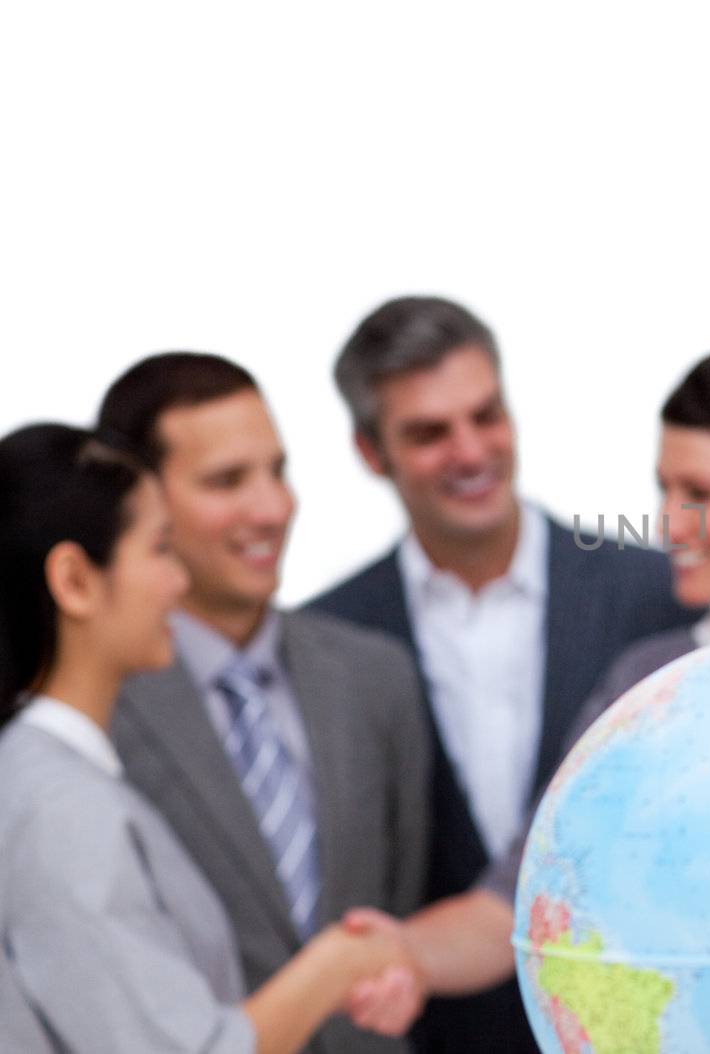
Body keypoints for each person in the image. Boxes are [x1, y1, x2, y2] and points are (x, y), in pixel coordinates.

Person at [339, 344, 710, 1033]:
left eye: (700, 494)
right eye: (664, 490)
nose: (669, 524)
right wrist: (405, 955)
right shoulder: (643, 678)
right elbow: (528, 890)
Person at [308, 295, 698, 1052]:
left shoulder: (657, 597)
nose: (470, 450)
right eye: (429, 433)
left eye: (485, 415)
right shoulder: (328, 637)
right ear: (369, 450)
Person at [0, 423, 416, 1053]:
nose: (179, 582)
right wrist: (333, 966)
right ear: (76, 581)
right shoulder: (59, 807)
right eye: (160, 548)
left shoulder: (56, 780)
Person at [95, 355, 433, 1054]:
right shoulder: (95, 709)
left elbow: (399, 896)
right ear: (141, 500)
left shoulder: (376, 677)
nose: (272, 507)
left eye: (276, 471)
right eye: (227, 481)